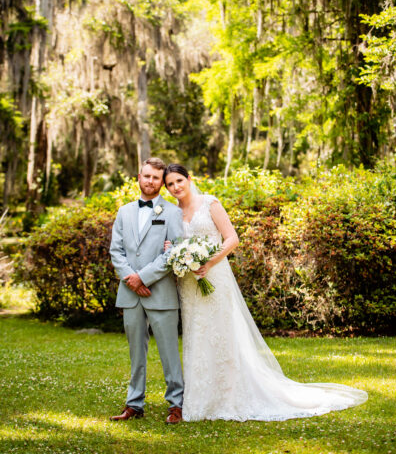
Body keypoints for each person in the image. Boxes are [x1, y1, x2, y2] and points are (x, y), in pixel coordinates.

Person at [163, 163, 368, 422]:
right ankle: (201, 399)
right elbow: (174, 242)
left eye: (179, 180)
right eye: (170, 184)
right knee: (198, 335)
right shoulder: (172, 212)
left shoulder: (210, 203)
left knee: (223, 334)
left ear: (189, 179)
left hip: (215, 276)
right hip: (189, 283)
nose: (175, 187)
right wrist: (175, 251)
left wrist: (210, 262)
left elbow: (231, 238)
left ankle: (230, 395)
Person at [109, 157, 184, 424]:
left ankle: (176, 404)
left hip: (160, 294)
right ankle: (134, 404)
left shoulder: (172, 212)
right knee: (136, 353)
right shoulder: (124, 211)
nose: (150, 181)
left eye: (155, 177)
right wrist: (131, 279)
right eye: (146, 176)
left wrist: (143, 277)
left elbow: (174, 252)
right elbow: (115, 251)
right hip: (130, 295)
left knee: (169, 352)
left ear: (161, 182)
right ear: (138, 177)